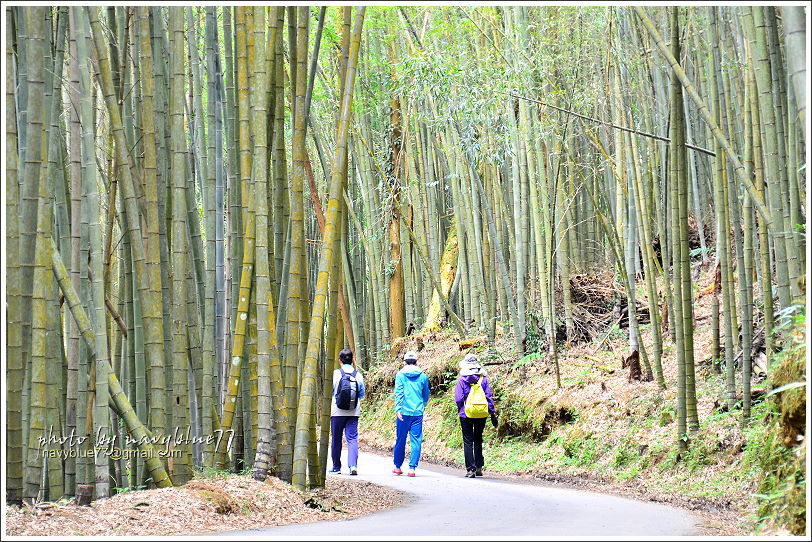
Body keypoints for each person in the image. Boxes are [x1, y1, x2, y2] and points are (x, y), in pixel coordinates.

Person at [454, 353, 497, 478]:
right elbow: (488, 397)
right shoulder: (483, 379)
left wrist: (461, 408)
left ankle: (470, 469)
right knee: (478, 438)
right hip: (481, 413)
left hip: (465, 414)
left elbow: (458, 398)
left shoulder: (462, 380)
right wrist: (492, 413)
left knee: (468, 441)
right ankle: (479, 467)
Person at [392, 350, 430, 477]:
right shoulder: (423, 375)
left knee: (400, 439)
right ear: (416, 361)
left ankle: (397, 467)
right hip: (417, 412)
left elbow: (398, 393)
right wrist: (423, 404)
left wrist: (398, 409)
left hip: (403, 412)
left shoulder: (400, 375)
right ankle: (412, 469)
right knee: (416, 440)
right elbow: (426, 393)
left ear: (405, 361)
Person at [329, 349, 365, 475]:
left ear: (340, 361)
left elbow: (331, 392)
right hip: (353, 412)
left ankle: (336, 467)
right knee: (352, 438)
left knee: (336, 439)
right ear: (352, 360)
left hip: (337, 412)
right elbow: (361, 394)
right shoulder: (358, 375)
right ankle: (353, 466)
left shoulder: (335, 374)